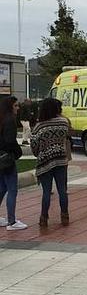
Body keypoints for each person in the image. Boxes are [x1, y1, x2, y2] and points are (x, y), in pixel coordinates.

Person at [30, 98, 70, 228]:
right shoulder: (64, 122)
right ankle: (65, 216)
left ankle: (44, 218)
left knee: (46, 191)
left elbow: (34, 146)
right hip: (61, 160)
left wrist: (40, 152)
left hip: (45, 161)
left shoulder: (39, 126)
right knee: (62, 190)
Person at [0, 96, 26, 230]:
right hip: (7, 159)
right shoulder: (10, 120)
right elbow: (10, 141)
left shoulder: (2, 119)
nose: (18, 108)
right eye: (16, 106)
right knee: (12, 189)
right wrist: (18, 152)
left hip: (1, 158)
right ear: (10, 107)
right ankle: (12, 221)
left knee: (2, 188)